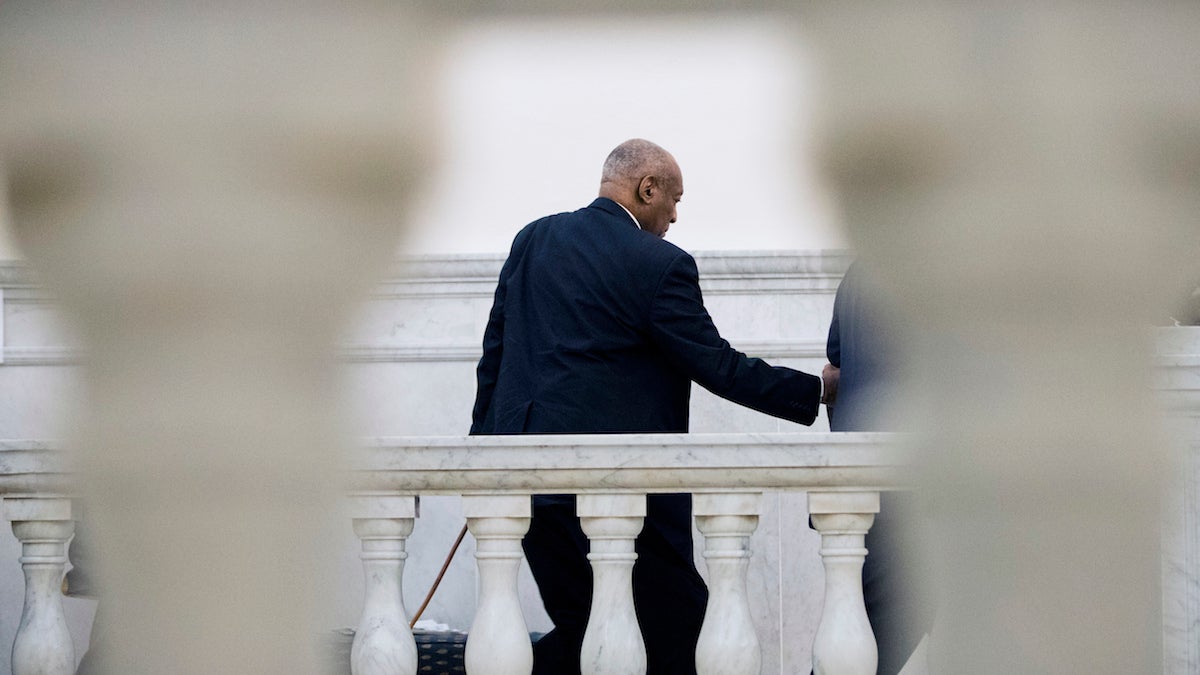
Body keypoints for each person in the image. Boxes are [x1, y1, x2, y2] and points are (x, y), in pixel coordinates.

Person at [470, 138, 832, 675]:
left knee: (584, 631)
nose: (675, 216)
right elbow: (716, 365)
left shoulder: (533, 239)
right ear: (648, 188)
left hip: (533, 493)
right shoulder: (661, 264)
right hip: (621, 498)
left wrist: (482, 458)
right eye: (675, 200)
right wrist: (817, 390)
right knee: (682, 634)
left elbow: (494, 355)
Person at [823, 261, 934, 675]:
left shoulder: (860, 269)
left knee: (863, 631)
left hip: (858, 482)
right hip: (910, 487)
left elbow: (835, 359)